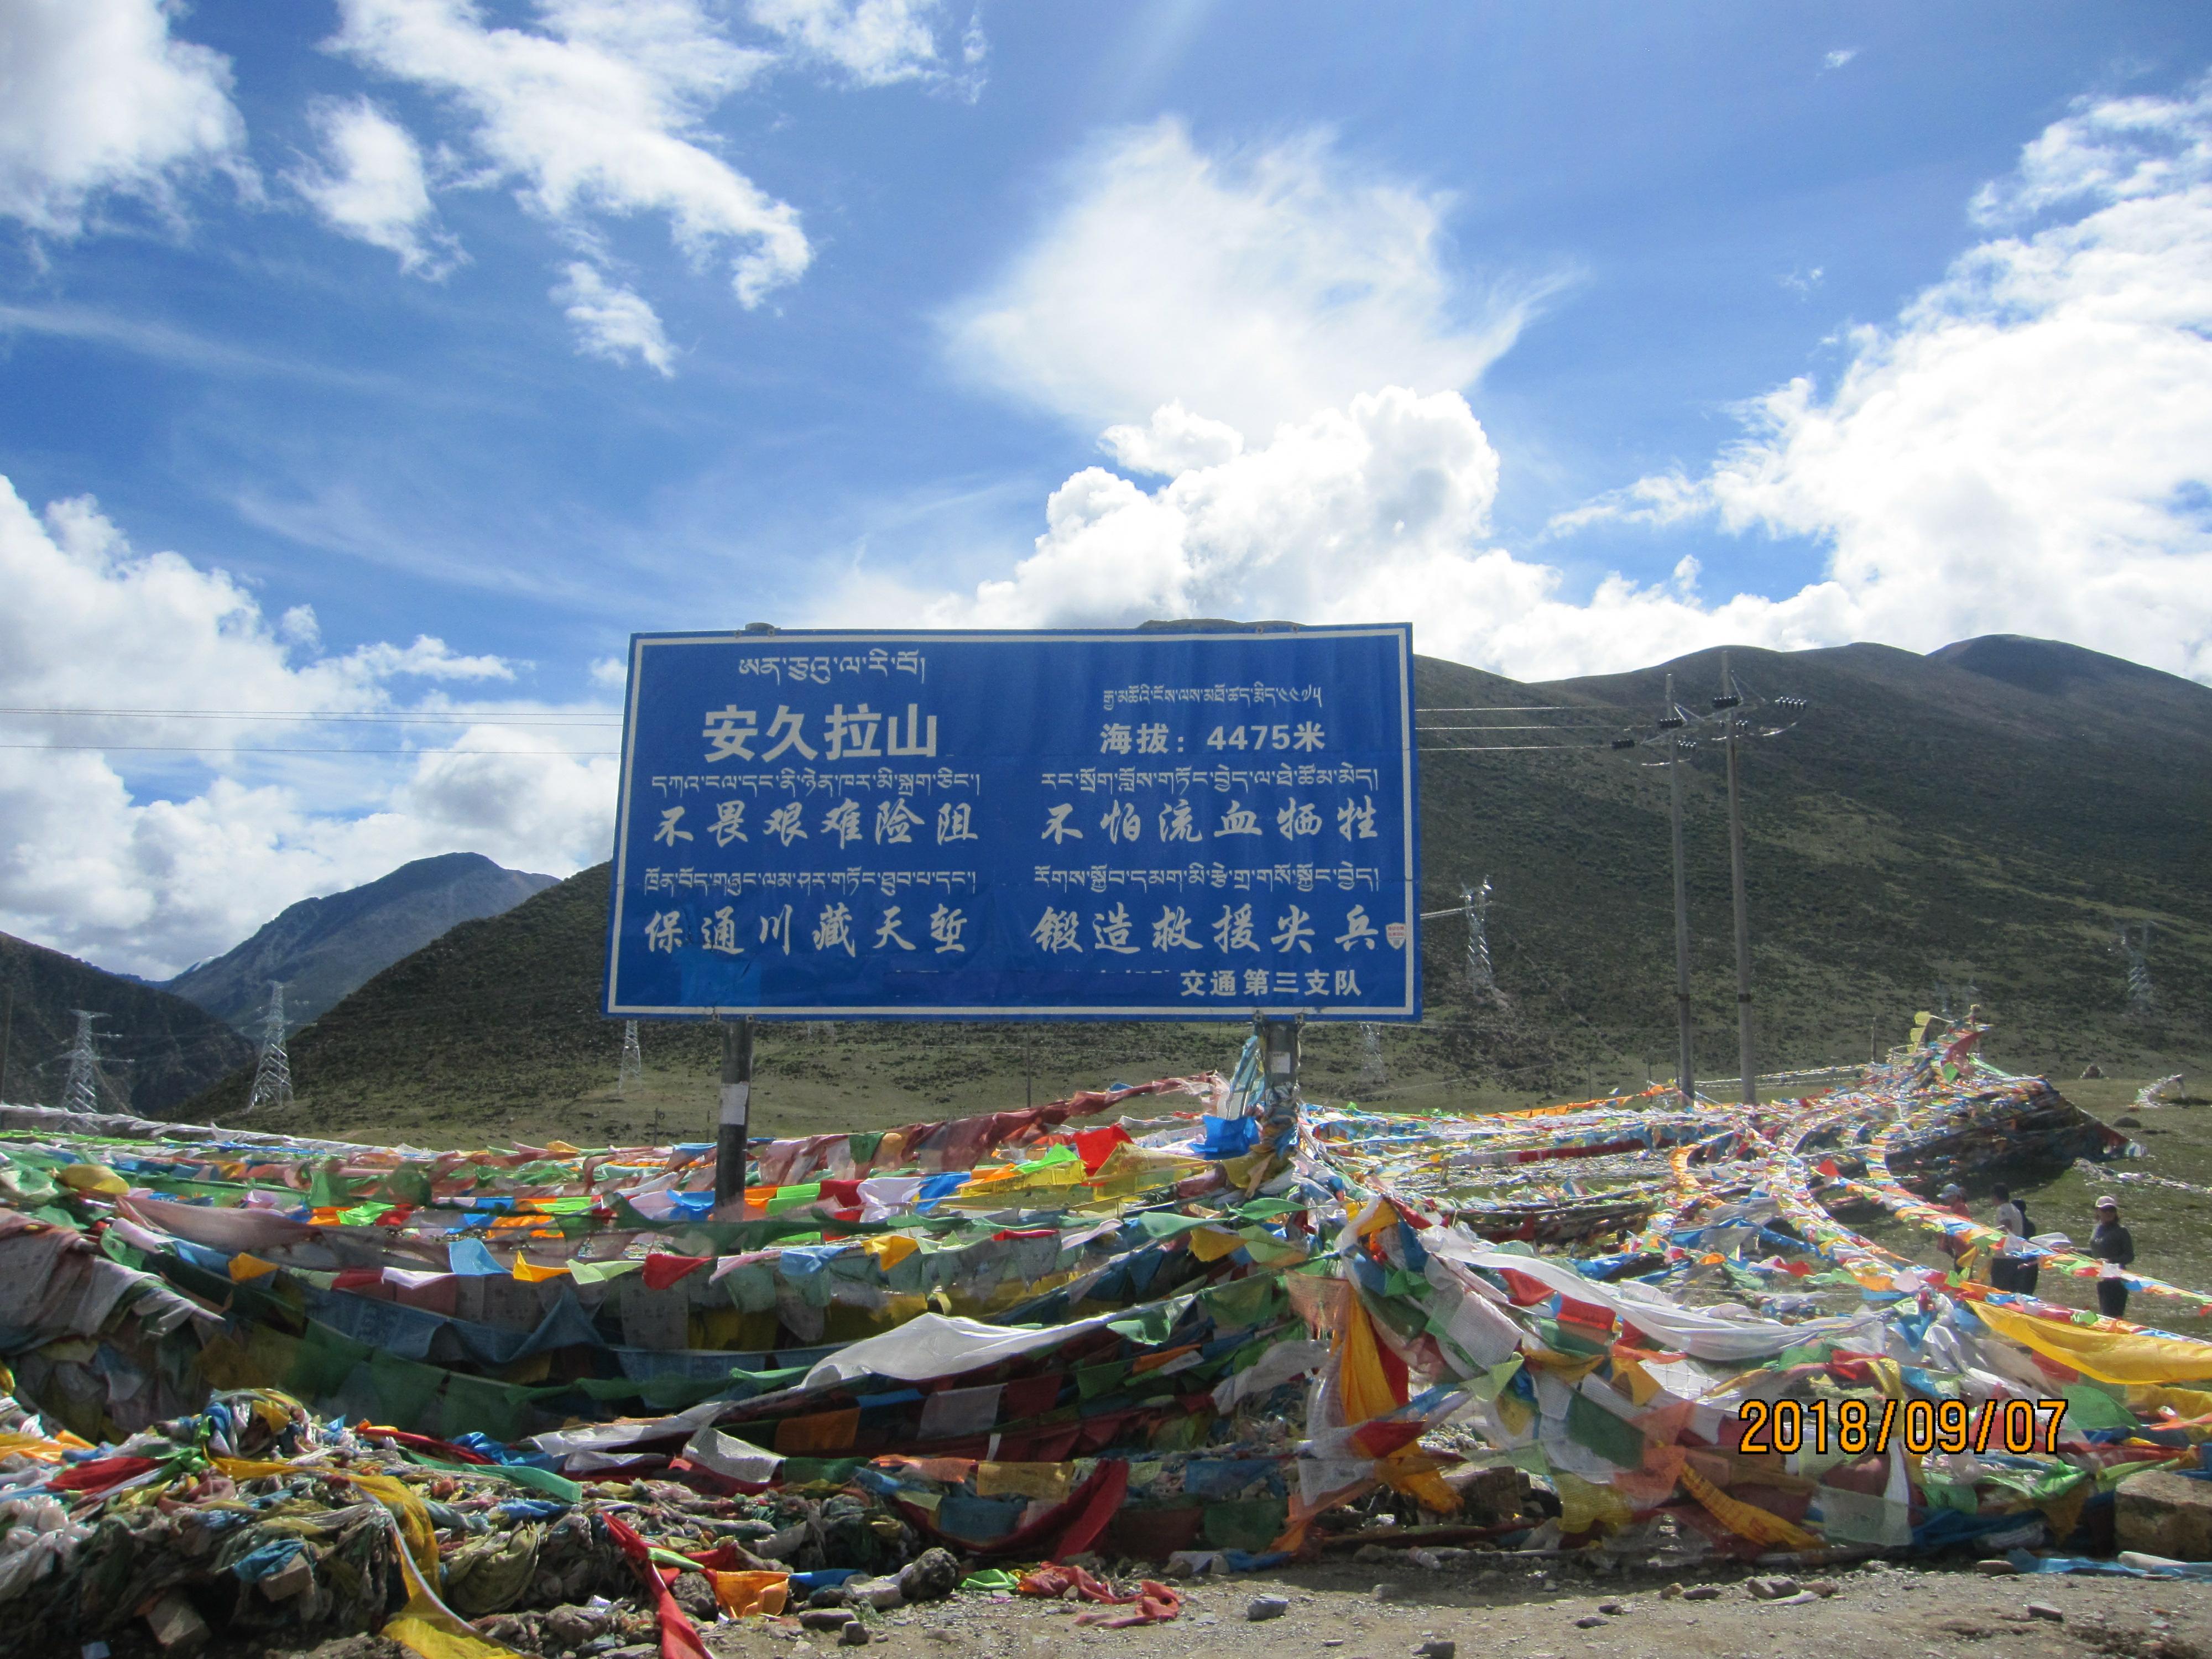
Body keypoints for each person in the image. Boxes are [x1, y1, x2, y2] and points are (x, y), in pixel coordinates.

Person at [2091, 1196, 2135, 1319]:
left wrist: (2110, 1261)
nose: (2109, 1213)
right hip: (2103, 1277)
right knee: (2105, 1314)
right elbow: (2096, 1253)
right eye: (2105, 1210)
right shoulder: (2097, 1229)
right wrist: (2075, 1251)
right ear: (2097, 1211)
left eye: (2112, 1210)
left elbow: (2129, 1256)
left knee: (2113, 1315)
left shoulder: (2121, 1231)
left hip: (2117, 1277)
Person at [1990, 1183, 2038, 1294]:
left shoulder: (2002, 1209)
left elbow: (2007, 1226)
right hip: (2016, 1256)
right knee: (2011, 1290)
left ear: (1995, 1197)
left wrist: (1989, 1233)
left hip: (2003, 1257)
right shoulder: (2015, 1210)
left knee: (2000, 1290)